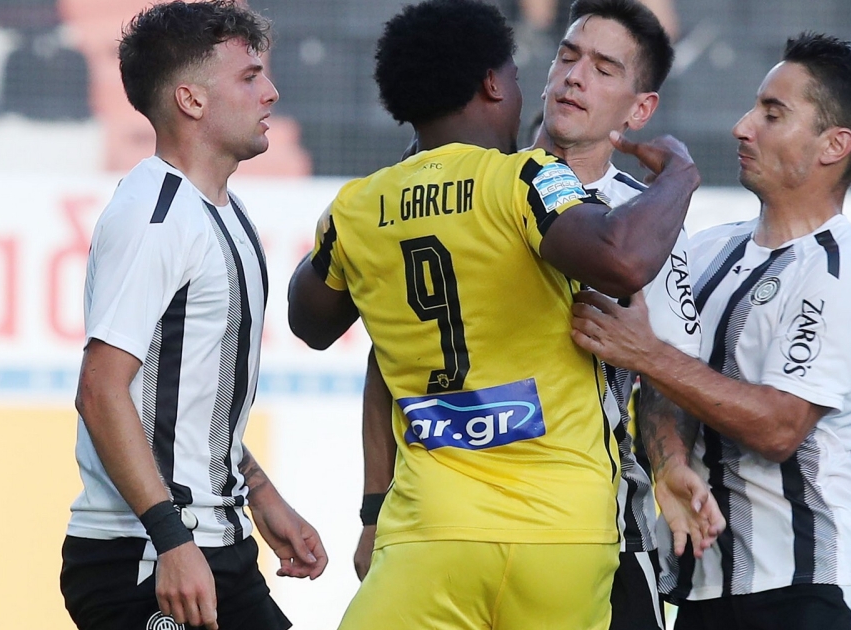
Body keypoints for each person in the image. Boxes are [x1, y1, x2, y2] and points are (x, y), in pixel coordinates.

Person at [286, 0, 702, 627]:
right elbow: (621, 257)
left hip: (452, 529)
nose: (570, 77)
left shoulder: (359, 206)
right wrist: (682, 174)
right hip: (561, 529)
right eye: (563, 57)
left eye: (603, 68)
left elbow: (310, 322)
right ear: (493, 84)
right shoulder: (528, 180)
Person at [570, 32, 851, 630]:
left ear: (834, 145)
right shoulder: (707, 250)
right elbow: (667, 383)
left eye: (772, 114)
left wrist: (647, 354)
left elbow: (779, 427)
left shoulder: (838, 274)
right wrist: (669, 460)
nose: (742, 127)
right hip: (705, 591)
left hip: (811, 590)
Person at [59, 3, 327, 629]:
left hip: (213, 546)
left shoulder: (222, 210)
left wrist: (261, 493)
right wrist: (171, 540)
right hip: (143, 555)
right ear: (191, 99)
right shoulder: (155, 216)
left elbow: (185, 401)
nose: (271, 91)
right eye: (249, 77)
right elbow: (100, 389)